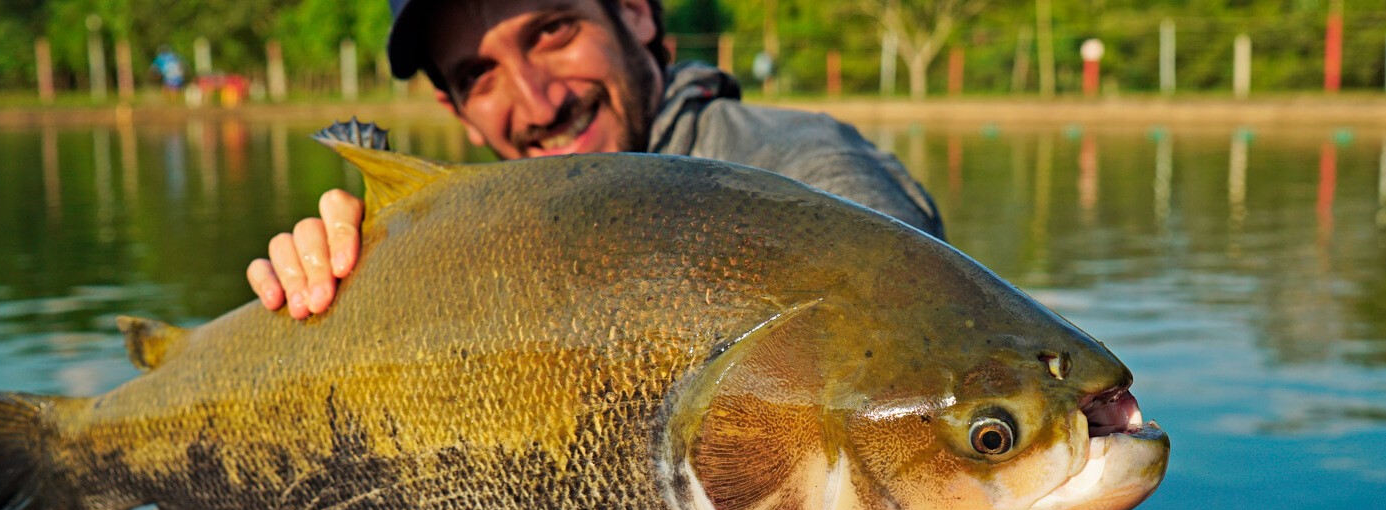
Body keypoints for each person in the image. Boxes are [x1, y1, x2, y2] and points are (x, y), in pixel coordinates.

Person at [248, 0, 944, 319]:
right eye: (478, 75)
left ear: (637, 13)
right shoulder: (504, 233)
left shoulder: (811, 174)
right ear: (455, 111)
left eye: (552, 31)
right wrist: (331, 301)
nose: (539, 102)